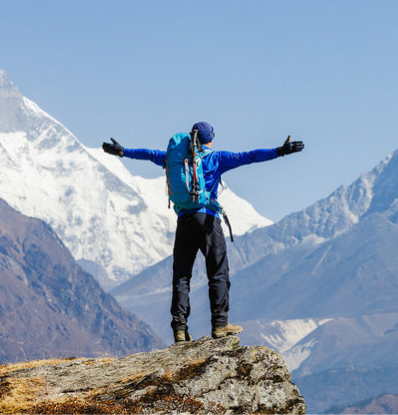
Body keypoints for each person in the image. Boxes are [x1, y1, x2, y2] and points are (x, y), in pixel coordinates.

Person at [102, 122, 304, 343]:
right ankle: (220, 324)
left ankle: (180, 329)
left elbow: (149, 154)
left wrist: (122, 151)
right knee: (218, 272)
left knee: (181, 276)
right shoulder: (217, 158)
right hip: (207, 219)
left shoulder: (175, 158)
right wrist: (280, 151)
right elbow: (250, 156)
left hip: (184, 220)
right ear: (211, 139)